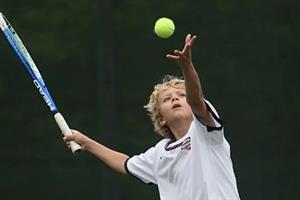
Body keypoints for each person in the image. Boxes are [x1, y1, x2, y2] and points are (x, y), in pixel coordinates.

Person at [64, 34, 241, 200]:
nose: (174, 98)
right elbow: (124, 163)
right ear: (161, 118)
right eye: (167, 99)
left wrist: (187, 67)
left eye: (181, 95)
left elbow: (196, 101)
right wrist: (85, 141)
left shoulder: (205, 132)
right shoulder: (159, 153)